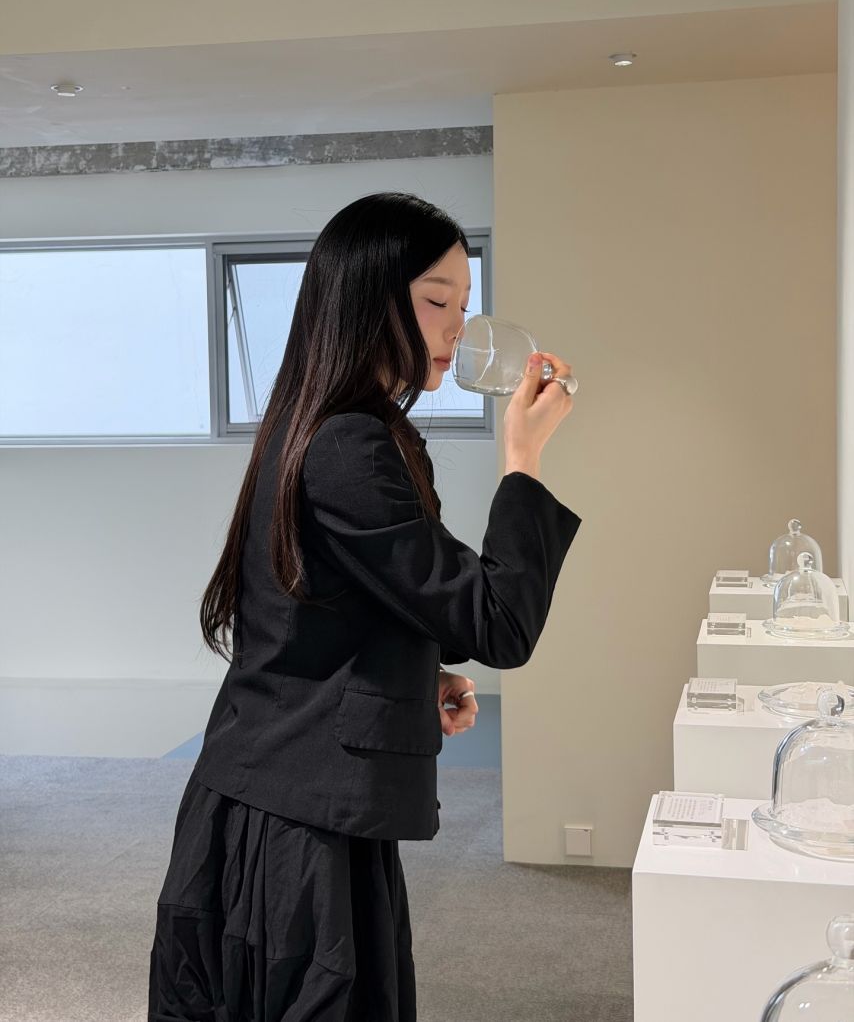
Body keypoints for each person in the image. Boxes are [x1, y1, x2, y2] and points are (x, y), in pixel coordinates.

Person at [147, 192, 581, 1022]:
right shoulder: (350, 442)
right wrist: (523, 460)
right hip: (294, 816)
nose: (459, 328)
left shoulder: (328, 424)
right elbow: (496, 622)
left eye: (464, 303)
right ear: (368, 300)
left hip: (291, 796)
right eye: (437, 301)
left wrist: (416, 680)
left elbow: (326, 610)